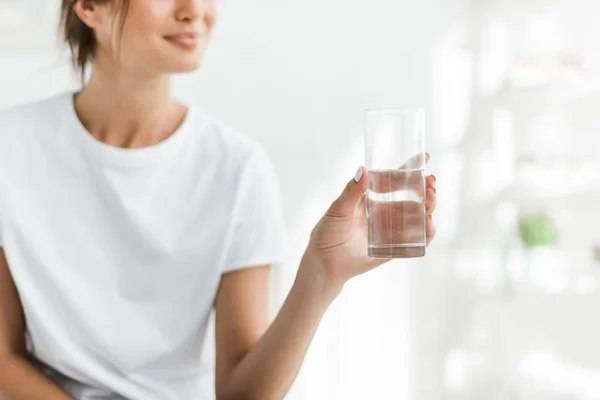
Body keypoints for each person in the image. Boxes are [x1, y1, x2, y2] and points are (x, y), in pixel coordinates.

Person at [0, 0, 438, 399]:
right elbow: (3, 362)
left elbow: (240, 393)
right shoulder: (12, 149)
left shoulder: (236, 170)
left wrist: (322, 273)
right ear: (90, 7)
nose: (196, 10)